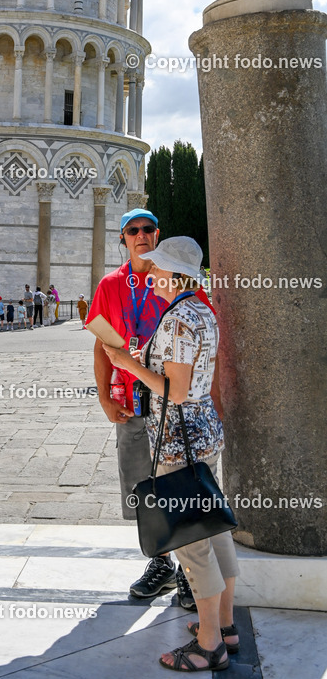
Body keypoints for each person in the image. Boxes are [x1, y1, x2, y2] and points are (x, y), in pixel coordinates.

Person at [102, 237, 237, 673]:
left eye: (157, 268)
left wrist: (127, 363)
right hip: (204, 434)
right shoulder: (201, 311)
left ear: (174, 275)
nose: (151, 274)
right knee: (215, 530)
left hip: (179, 441)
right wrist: (147, 361)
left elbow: (174, 392)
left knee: (193, 543)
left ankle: (209, 644)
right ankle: (227, 625)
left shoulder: (178, 319)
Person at [88, 208, 208, 608]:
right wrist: (105, 397)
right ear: (122, 238)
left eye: (148, 229)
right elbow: (101, 345)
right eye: (132, 230)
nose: (141, 235)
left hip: (173, 406)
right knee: (143, 485)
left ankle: (192, 572)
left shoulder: (178, 280)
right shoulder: (111, 285)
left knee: (182, 485)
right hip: (132, 403)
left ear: (157, 235)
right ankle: (161, 563)